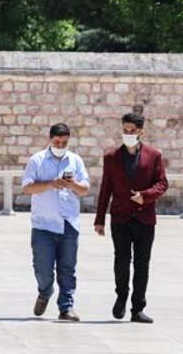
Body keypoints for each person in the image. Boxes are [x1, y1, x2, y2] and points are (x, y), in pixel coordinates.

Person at [95, 112, 168, 324]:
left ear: (141, 132)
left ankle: (138, 308)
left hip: (145, 219)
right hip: (120, 218)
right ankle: (121, 295)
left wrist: (144, 197)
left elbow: (162, 183)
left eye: (132, 131)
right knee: (121, 260)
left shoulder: (154, 155)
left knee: (142, 263)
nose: (128, 133)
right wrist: (100, 219)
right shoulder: (111, 157)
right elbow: (105, 188)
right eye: (125, 130)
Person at [22, 123, 90, 322]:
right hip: (44, 223)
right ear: (50, 139)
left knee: (68, 268)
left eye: (64, 142)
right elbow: (27, 188)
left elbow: (85, 189)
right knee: (42, 268)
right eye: (57, 141)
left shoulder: (75, 161)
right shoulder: (37, 160)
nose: (61, 145)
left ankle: (66, 307)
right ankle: (44, 291)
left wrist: (73, 184)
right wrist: (51, 184)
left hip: (69, 222)